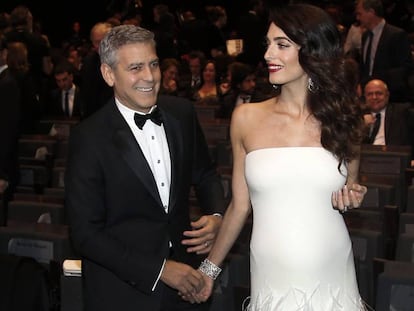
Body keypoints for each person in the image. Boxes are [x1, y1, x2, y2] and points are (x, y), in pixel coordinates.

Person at [194, 3, 369, 310]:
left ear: (312, 50)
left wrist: (354, 194)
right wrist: (209, 270)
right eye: (268, 44)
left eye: (281, 45)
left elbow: (351, 189)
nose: (267, 55)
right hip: (271, 273)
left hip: (330, 267)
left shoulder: (345, 119)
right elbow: (239, 206)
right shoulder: (245, 118)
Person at [65, 24, 227, 311]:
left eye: (153, 64)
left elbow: (205, 175)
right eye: (136, 68)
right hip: (121, 293)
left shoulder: (182, 113)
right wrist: (160, 270)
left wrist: (215, 216)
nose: (150, 77)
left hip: (187, 290)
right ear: (108, 74)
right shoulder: (88, 138)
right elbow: (85, 234)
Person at [355, 0, 413, 102]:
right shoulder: (365, 36)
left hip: (390, 96)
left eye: (360, 14)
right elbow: (365, 67)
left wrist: (374, 80)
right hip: (368, 95)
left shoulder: (396, 35)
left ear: (371, 12)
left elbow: (404, 69)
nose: (357, 18)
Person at [362, 78, 410, 146]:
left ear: (387, 95)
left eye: (379, 93)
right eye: (369, 94)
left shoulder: (401, 111)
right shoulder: (358, 115)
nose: (374, 97)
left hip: (393, 155)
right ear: (365, 97)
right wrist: (360, 124)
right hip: (364, 155)